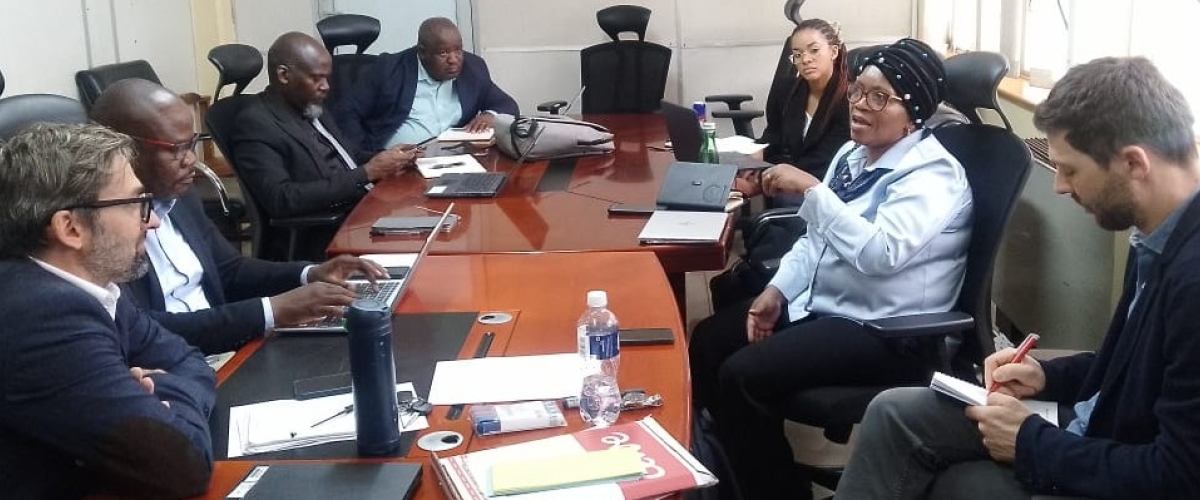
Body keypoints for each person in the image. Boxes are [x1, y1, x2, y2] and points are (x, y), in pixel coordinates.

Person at [835, 57, 1200, 500]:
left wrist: (1029, 442)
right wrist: (1045, 376)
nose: (1060, 186)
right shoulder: (1155, 233)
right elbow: (1131, 368)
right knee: (895, 412)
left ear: (1133, 164)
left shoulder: (1191, 279)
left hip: (1125, 463)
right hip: (1097, 426)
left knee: (964, 486)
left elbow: (1180, 475)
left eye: (1070, 170)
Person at [688, 38, 974, 500]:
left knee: (742, 376)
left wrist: (813, 191)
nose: (859, 105)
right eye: (857, 91)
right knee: (708, 340)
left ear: (914, 114)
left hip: (886, 329)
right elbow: (814, 238)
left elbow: (881, 254)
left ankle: (776, 492)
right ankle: (731, 476)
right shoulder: (852, 156)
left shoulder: (932, 175)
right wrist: (778, 290)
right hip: (828, 306)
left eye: (879, 97)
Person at [91, 78, 389, 355]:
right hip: (175, 365)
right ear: (122, 150)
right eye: (176, 149)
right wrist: (271, 310)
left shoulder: (179, 197)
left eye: (191, 144)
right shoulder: (99, 230)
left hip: (227, 348)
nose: (191, 160)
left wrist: (309, 274)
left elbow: (230, 271)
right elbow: (144, 331)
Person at [0, 123, 214, 499]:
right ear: (71, 228)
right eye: (135, 203)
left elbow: (189, 359)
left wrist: (158, 396)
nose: (153, 220)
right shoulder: (44, 316)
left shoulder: (90, 286)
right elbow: (185, 466)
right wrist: (165, 387)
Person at [231, 31, 418, 261]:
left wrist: (391, 158)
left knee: (430, 216)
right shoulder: (256, 123)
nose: (326, 87)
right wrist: (367, 173)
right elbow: (282, 199)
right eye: (317, 78)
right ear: (284, 75)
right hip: (327, 232)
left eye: (327, 78)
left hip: (362, 209)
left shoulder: (310, 106)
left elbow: (349, 155)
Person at [333, 17, 519, 154]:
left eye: (458, 50)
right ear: (422, 53)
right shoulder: (389, 69)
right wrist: (366, 159)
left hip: (456, 159)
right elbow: (346, 113)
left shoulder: (472, 67)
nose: (454, 60)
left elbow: (507, 104)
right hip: (399, 169)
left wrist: (490, 115)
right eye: (443, 53)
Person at [737, 18, 851, 209]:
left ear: (833, 52)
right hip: (786, 171)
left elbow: (826, 160)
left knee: (781, 198)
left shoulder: (849, 99)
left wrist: (768, 174)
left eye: (814, 50)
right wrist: (758, 155)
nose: (805, 59)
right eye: (798, 55)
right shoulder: (786, 90)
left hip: (823, 182)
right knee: (730, 179)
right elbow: (774, 135)